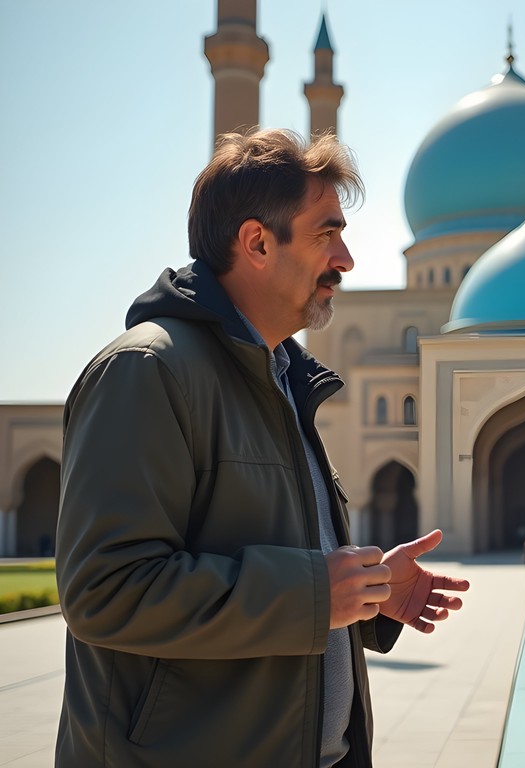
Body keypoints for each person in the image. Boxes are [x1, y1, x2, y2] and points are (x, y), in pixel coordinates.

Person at [55, 129, 470, 768]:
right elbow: (105, 590)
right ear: (256, 243)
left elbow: (277, 572)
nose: (346, 260)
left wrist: (367, 593)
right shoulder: (150, 371)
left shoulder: (284, 381)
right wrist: (315, 593)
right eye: (326, 234)